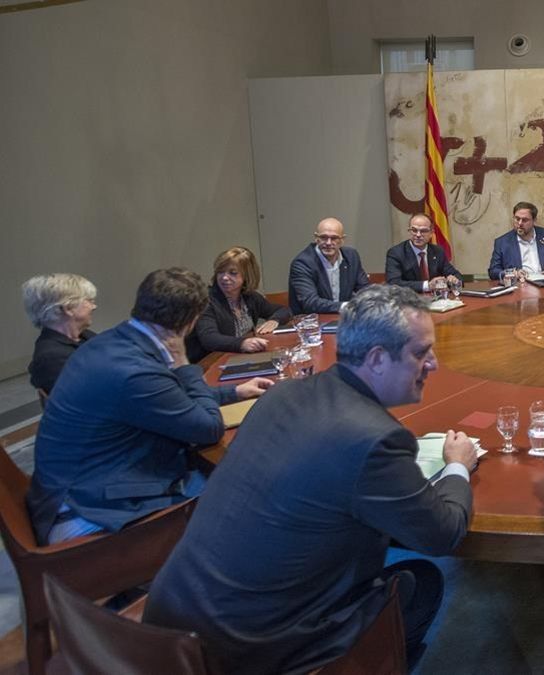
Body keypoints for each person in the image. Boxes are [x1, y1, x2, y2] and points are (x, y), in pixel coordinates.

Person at [145, 285, 476, 673]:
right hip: (249, 652)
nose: (433, 363)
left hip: (173, 617)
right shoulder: (375, 438)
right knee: (421, 583)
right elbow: (441, 534)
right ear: (377, 359)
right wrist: (457, 465)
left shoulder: (281, 395)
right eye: (421, 353)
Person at [26, 268, 272, 545]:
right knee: (249, 495)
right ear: (190, 321)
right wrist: (184, 365)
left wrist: (233, 392)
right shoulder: (134, 370)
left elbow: (167, 399)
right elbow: (209, 428)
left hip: (79, 484)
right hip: (91, 509)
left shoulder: (112, 341)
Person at [187, 246, 291, 362]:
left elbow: (284, 310)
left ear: (247, 275)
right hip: (209, 363)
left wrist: (274, 320)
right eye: (220, 272)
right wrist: (242, 343)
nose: (225, 277)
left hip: (238, 359)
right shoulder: (206, 300)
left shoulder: (250, 297)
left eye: (233, 273)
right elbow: (209, 338)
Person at [22, 273, 98, 394]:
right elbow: (87, 397)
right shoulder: (52, 357)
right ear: (68, 309)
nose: (94, 306)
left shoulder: (84, 335)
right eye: (89, 301)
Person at [288, 217, 370, 314]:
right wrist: (348, 306)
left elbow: (364, 289)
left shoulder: (351, 256)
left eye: (334, 238)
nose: (328, 243)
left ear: (342, 240)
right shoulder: (302, 263)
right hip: (312, 323)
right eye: (323, 237)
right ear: (316, 238)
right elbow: (310, 303)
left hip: (343, 320)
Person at [487, 202, 544, 280]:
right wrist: (512, 273)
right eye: (517, 219)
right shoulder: (502, 242)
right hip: (519, 286)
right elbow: (493, 271)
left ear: (534, 220)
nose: (520, 223)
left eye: (525, 220)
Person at [385, 213, 462, 292]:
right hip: (409, 300)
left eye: (423, 231)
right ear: (409, 231)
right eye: (414, 230)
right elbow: (393, 284)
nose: (418, 235)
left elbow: (457, 275)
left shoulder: (437, 251)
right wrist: (427, 286)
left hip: (436, 300)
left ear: (431, 233)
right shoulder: (396, 253)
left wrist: (453, 279)